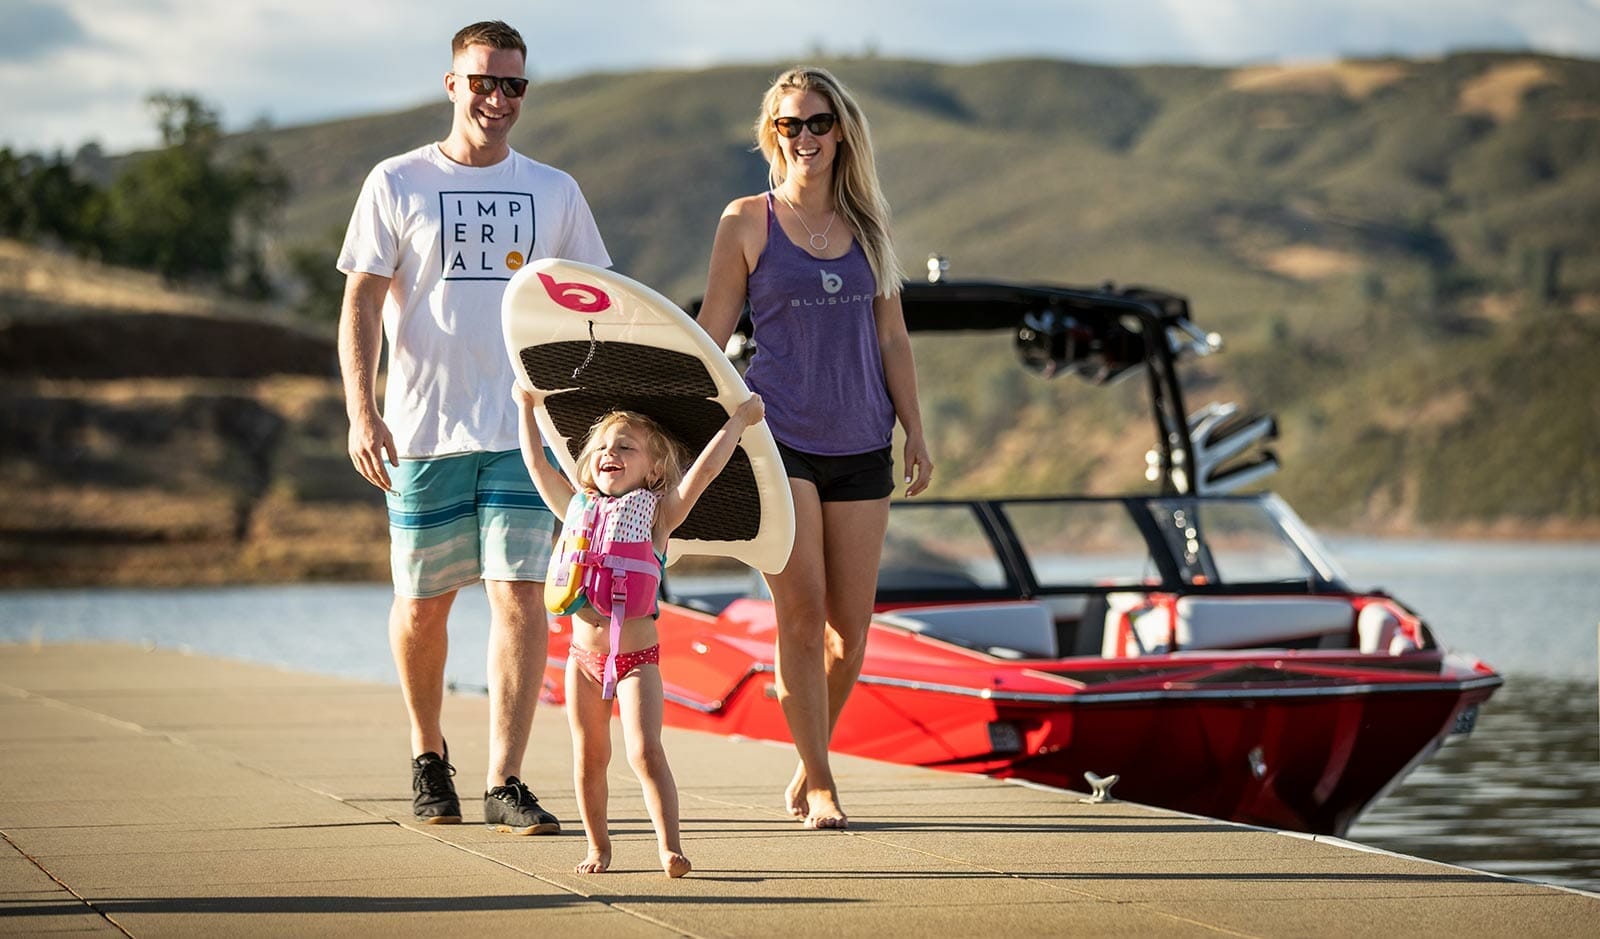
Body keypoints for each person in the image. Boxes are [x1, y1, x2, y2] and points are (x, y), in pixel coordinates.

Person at [336, 20, 610, 835]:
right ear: (452, 84)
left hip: (525, 430)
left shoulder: (554, 191)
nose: (498, 98)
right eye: (483, 82)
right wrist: (363, 407)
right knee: (423, 603)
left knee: (523, 596)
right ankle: (428, 755)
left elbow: (592, 303)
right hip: (422, 431)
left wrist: (587, 419)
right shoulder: (397, 180)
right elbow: (359, 302)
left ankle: (505, 778)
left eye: (513, 85)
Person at [696, 66, 933, 830]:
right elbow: (711, 335)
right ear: (773, 134)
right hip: (780, 438)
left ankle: (809, 757)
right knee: (800, 613)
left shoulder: (870, 228)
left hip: (864, 439)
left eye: (819, 122)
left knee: (850, 629)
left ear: (842, 131)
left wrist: (916, 432)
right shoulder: (745, 221)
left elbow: (892, 336)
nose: (806, 137)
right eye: (791, 125)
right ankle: (825, 785)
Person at [514, 386, 767, 876]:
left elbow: (706, 471)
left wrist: (739, 419)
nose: (611, 453)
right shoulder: (574, 508)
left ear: (653, 469)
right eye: (604, 447)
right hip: (582, 663)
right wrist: (525, 408)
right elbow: (536, 465)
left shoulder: (659, 516)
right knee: (589, 756)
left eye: (626, 447)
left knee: (644, 751)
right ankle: (597, 847)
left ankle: (669, 846)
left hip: (636, 663)